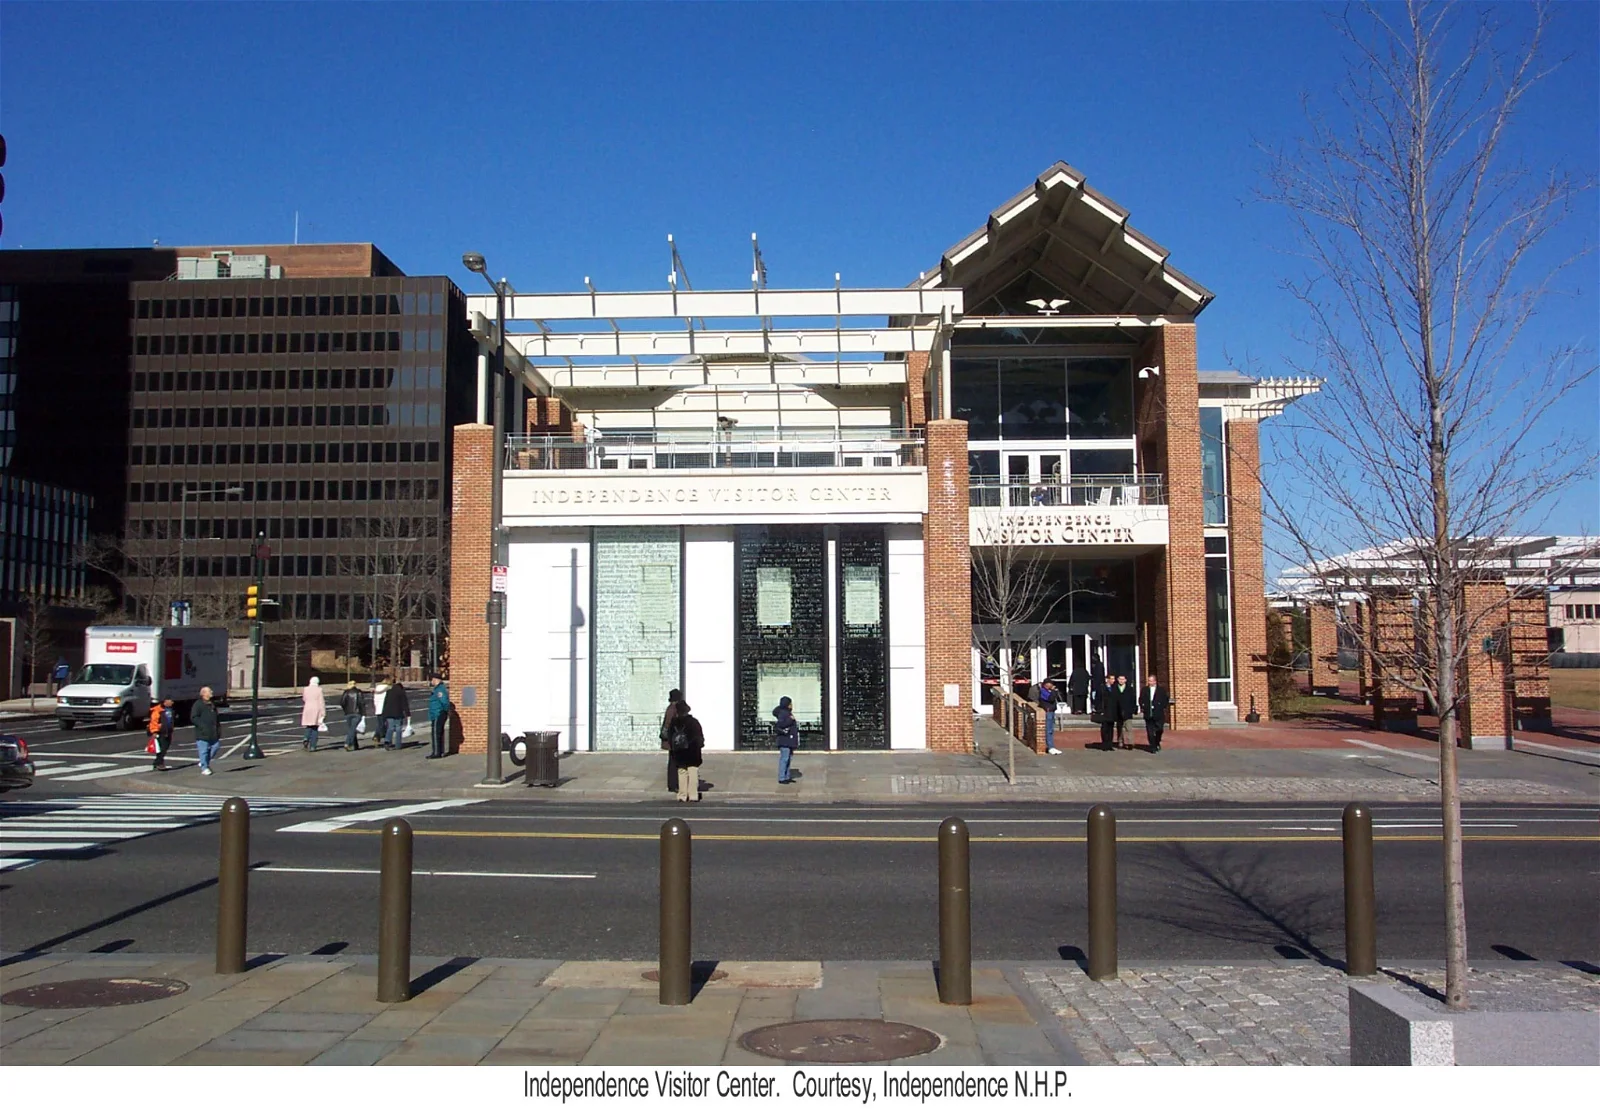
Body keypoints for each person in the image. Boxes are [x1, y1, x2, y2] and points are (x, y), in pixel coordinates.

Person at [666, 699, 705, 802]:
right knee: (692, 772)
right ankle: (693, 795)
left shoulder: (673, 723)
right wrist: (699, 746)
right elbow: (699, 737)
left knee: (682, 772)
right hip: (692, 752)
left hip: (679, 752)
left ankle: (682, 795)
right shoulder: (693, 722)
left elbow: (670, 737)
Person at [192, 685, 221, 776]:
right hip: (202, 733)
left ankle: (204, 761)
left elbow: (216, 717)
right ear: (204, 693)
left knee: (216, 746)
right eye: (209, 691)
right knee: (203, 750)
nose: (211, 692)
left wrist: (218, 728)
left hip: (213, 732)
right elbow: (194, 717)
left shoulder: (212, 704)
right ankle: (204, 767)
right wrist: (202, 726)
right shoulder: (198, 704)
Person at [1139, 673, 1170, 753]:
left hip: (1158, 714)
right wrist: (1143, 707)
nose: (1150, 682)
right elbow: (1141, 699)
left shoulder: (1161, 690)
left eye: (1152, 681)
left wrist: (1161, 707)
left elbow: (1165, 700)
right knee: (1150, 732)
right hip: (1148, 713)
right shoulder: (1145, 690)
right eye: (1149, 681)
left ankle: (1157, 742)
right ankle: (1152, 746)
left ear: (1155, 681)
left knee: (1159, 729)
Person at [660, 689, 683, 793]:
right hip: (673, 739)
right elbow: (668, 724)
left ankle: (673, 784)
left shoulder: (672, 708)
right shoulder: (672, 709)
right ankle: (673, 784)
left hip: (672, 739)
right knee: (674, 762)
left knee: (673, 761)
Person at [773, 696, 799, 783]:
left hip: (789, 740)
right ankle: (782, 777)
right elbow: (781, 724)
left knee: (789, 758)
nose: (792, 705)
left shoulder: (787, 713)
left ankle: (787, 776)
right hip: (785, 740)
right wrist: (790, 720)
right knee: (784, 758)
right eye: (790, 703)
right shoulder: (783, 713)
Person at [380, 678, 410, 749]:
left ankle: (387, 741)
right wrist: (407, 713)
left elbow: (385, 703)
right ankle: (398, 745)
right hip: (398, 712)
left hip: (389, 712)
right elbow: (404, 704)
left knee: (390, 727)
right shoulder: (401, 692)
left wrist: (384, 713)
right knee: (398, 728)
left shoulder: (389, 691)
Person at [426, 674, 450, 759]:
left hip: (438, 713)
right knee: (439, 733)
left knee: (436, 733)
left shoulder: (440, 690)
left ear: (436, 679)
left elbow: (444, 702)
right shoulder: (437, 689)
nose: (431, 682)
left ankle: (436, 752)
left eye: (432, 680)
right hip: (436, 713)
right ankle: (440, 751)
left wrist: (445, 711)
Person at [1112, 674, 1139, 750]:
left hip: (1127, 711)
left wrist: (1133, 709)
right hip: (1118, 711)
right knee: (1119, 728)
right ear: (1117, 680)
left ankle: (1130, 743)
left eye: (1123, 679)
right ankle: (1120, 742)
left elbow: (1133, 700)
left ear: (1125, 680)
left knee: (1129, 728)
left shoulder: (1129, 689)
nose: (1121, 680)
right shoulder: (1114, 688)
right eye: (1120, 679)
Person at [301, 676, 326, 752]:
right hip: (316, 709)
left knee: (308, 725)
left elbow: (304, 699)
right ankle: (313, 746)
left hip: (307, 708)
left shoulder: (305, 689)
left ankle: (306, 737)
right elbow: (321, 702)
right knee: (315, 728)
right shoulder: (319, 690)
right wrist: (323, 713)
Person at [1092, 676, 1116, 750]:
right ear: (1107, 679)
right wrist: (1098, 709)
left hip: (1112, 711)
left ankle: (1110, 744)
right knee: (1105, 728)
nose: (1113, 680)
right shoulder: (1101, 688)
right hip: (1104, 710)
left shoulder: (1114, 688)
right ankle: (1105, 744)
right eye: (1112, 679)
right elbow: (1097, 699)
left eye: (1114, 679)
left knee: (1111, 728)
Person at [1037, 679, 1061, 754]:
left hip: (1052, 711)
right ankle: (1050, 747)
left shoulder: (1050, 691)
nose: (1051, 686)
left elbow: (1056, 698)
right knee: (1048, 730)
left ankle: (1052, 746)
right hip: (1048, 711)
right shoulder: (1043, 691)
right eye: (1049, 684)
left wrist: (1055, 692)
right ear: (1045, 685)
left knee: (1051, 730)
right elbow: (1050, 699)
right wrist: (1054, 691)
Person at [339, 681, 364, 751]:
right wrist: (363, 713)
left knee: (352, 729)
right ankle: (348, 743)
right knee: (352, 729)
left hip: (348, 713)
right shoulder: (359, 692)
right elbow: (362, 703)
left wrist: (346, 710)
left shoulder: (346, 692)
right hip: (357, 712)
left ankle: (355, 745)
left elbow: (342, 702)